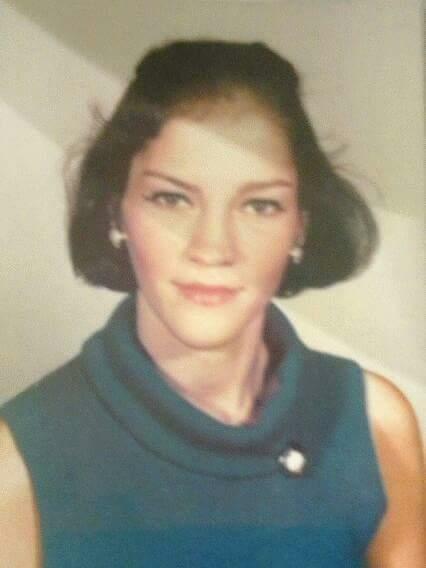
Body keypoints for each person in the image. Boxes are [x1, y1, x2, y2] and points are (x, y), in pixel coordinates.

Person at [0, 40, 424, 568]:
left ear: (300, 227)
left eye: (259, 205)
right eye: (172, 198)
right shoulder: (17, 464)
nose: (212, 247)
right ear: (115, 214)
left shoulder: (375, 425)